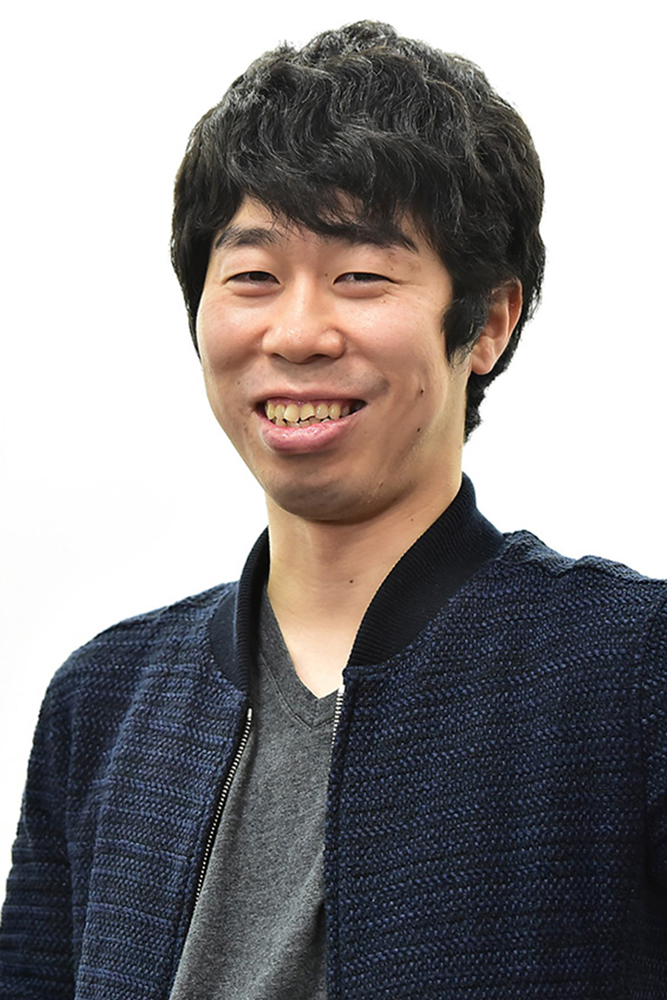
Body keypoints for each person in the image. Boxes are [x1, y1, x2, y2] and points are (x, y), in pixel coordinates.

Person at [1, 19, 666, 999]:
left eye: (360, 276)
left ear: (486, 321)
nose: (297, 332)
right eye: (253, 277)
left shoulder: (632, 671)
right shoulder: (101, 702)